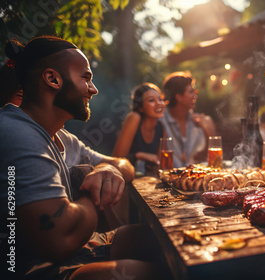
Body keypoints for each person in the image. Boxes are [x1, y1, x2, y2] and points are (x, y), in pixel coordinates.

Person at [0, 36, 165, 279]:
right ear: (53, 79)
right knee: (153, 273)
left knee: (163, 238)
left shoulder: (62, 137)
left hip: (76, 250)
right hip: (29, 269)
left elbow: (122, 163)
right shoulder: (17, 132)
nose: (93, 89)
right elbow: (60, 239)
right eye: (86, 78)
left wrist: (108, 170)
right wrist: (90, 189)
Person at [161, 71, 216, 168]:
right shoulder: (160, 121)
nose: (195, 95)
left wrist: (207, 129)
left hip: (194, 178)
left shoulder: (197, 122)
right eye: (191, 92)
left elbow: (213, 158)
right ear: (178, 97)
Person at [112, 83, 166, 175]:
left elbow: (161, 164)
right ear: (141, 108)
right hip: (124, 178)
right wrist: (139, 155)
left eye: (160, 99)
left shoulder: (161, 127)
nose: (159, 103)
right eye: (151, 100)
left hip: (146, 181)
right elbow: (116, 159)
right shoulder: (134, 117)